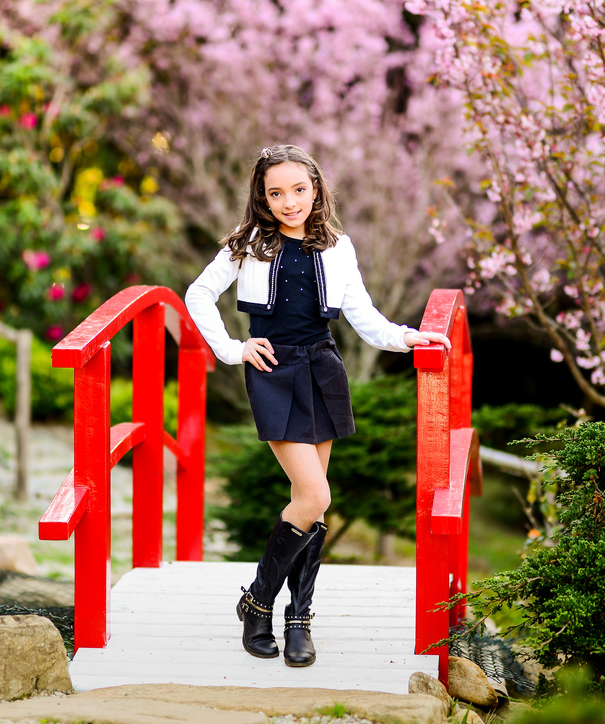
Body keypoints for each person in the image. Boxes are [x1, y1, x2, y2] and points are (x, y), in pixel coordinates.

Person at [184, 144, 451, 668]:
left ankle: (296, 619)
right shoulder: (247, 245)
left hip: (322, 369)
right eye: (276, 192)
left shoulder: (337, 246)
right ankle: (259, 601)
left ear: (317, 189)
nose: (289, 202)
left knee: (315, 505)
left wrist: (407, 338)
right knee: (313, 494)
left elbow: (363, 315)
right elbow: (197, 295)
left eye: (299, 190)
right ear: (262, 196)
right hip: (272, 371)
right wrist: (233, 349)